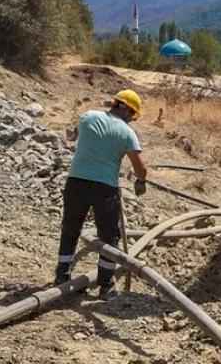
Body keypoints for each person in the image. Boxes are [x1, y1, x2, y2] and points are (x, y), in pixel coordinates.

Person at [53, 89, 149, 299]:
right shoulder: (127, 133)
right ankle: (106, 285)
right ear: (126, 109)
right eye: (132, 115)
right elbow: (140, 169)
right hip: (104, 188)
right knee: (108, 236)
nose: (132, 119)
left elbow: (75, 136)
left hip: (76, 182)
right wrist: (141, 181)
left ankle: (62, 275)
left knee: (71, 228)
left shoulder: (88, 117)